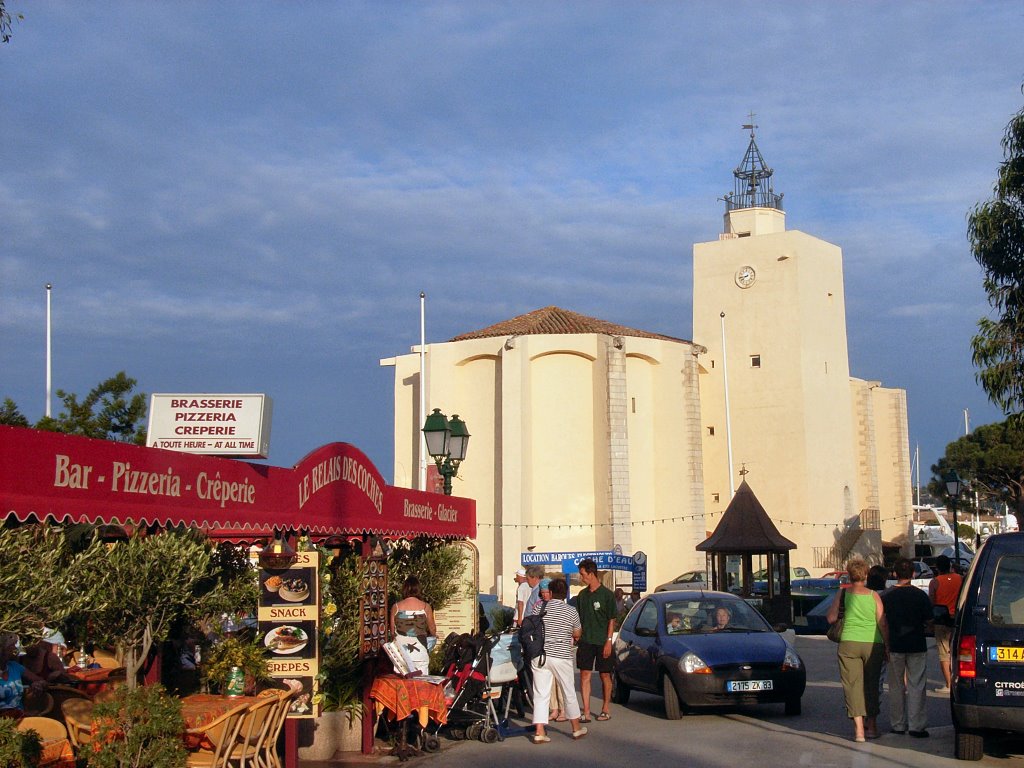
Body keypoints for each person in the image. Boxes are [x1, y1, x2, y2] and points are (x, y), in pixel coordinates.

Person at [826, 557, 889, 743]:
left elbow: (831, 618)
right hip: (872, 643)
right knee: (871, 685)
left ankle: (859, 730)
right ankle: (872, 726)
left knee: (852, 686)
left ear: (849, 574)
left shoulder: (843, 594)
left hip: (849, 643)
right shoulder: (873, 595)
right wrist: (887, 645)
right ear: (865, 574)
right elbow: (882, 623)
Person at [530, 578, 587, 743]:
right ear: (565, 594)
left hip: (540, 655)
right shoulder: (571, 611)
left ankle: (539, 731)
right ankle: (576, 728)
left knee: (541, 694)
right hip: (561, 655)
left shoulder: (539, 608)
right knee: (568, 690)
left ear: (551, 592)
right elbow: (577, 633)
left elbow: (533, 628)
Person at [882, 557, 933, 738]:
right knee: (916, 684)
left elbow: (883, 623)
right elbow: (929, 621)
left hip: (895, 644)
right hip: (916, 643)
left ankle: (898, 724)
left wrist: (886, 645)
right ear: (913, 573)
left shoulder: (886, 596)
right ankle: (916, 725)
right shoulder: (920, 595)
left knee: (896, 686)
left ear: (894, 574)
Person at [575, 558, 617, 723]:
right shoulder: (582, 595)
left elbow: (611, 620)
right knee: (584, 674)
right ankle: (585, 711)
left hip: (602, 641)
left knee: (605, 675)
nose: (581, 577)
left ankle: (605, 708)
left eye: (583, 574)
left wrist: (608, 640)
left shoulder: (607, 595)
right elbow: (578, 618)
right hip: (586, 640)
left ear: (591, 574)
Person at [929, 554, 963, 693]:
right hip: (957, 619)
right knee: (957, 651)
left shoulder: (935, 582)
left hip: (941, 619)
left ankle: (949, 684)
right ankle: (958, 680)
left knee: (944, 653)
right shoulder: (959, 579)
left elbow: (931, 600)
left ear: (937, 567)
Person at [536, 578, 567, 722]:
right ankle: (554, 709)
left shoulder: (562, 607)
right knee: (549, 682)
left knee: (560, 681)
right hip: (544, 649)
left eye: (546, 592)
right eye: (542, 593)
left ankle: (563, 709)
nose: (544, 595)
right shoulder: (539, 606)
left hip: (559, 649)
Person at [0, 633, 46, 717]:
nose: (14, 648)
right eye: (11, 646)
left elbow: (41, 680)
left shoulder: (14, 666)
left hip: (22, 718)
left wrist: (39, 684)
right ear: (2, 649)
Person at [390, 575, 437, 651]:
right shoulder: (426, 607)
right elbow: (432, 629)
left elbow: (392, 632)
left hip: (401, 650)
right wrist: (434, 636)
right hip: (421, 648)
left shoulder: (396, 607)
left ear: (404, 589)